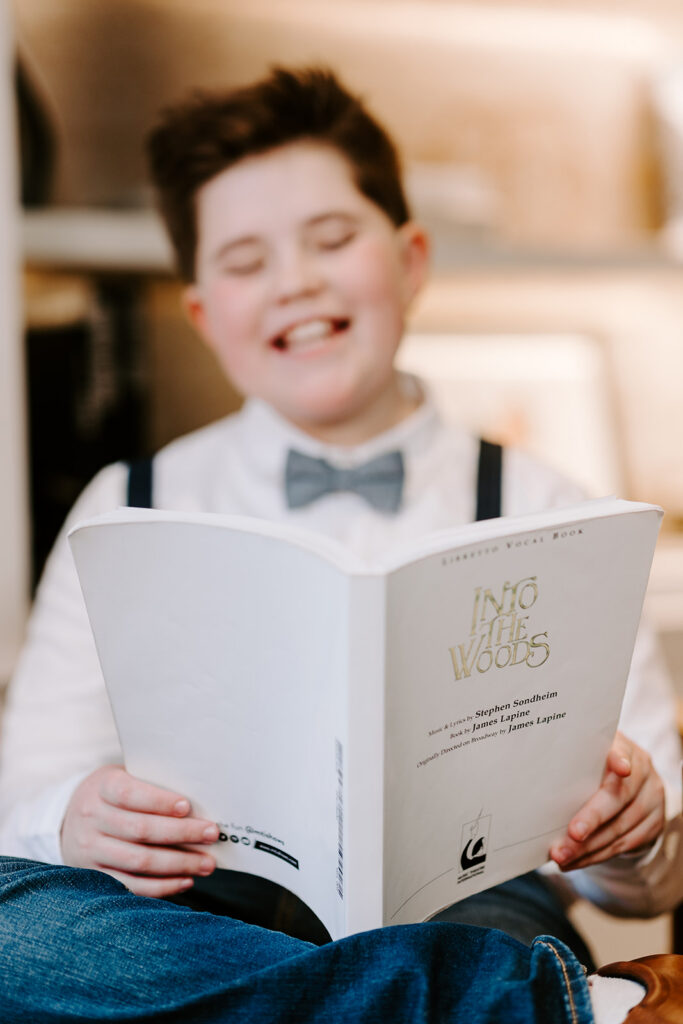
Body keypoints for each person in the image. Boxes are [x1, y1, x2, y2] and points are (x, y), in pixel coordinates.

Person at [0, 66, 681, 1023]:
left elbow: (647, 885)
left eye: (331, 239)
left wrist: (631, 830)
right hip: (196, 921)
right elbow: (20, 802)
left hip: (469, 910)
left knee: (472, 937)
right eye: (245, 260)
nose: (297, 281)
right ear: (203, 313)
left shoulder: (548, 506)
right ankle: (567, 1013)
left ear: (409, 259)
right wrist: (74, 818)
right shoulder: (129, 504)